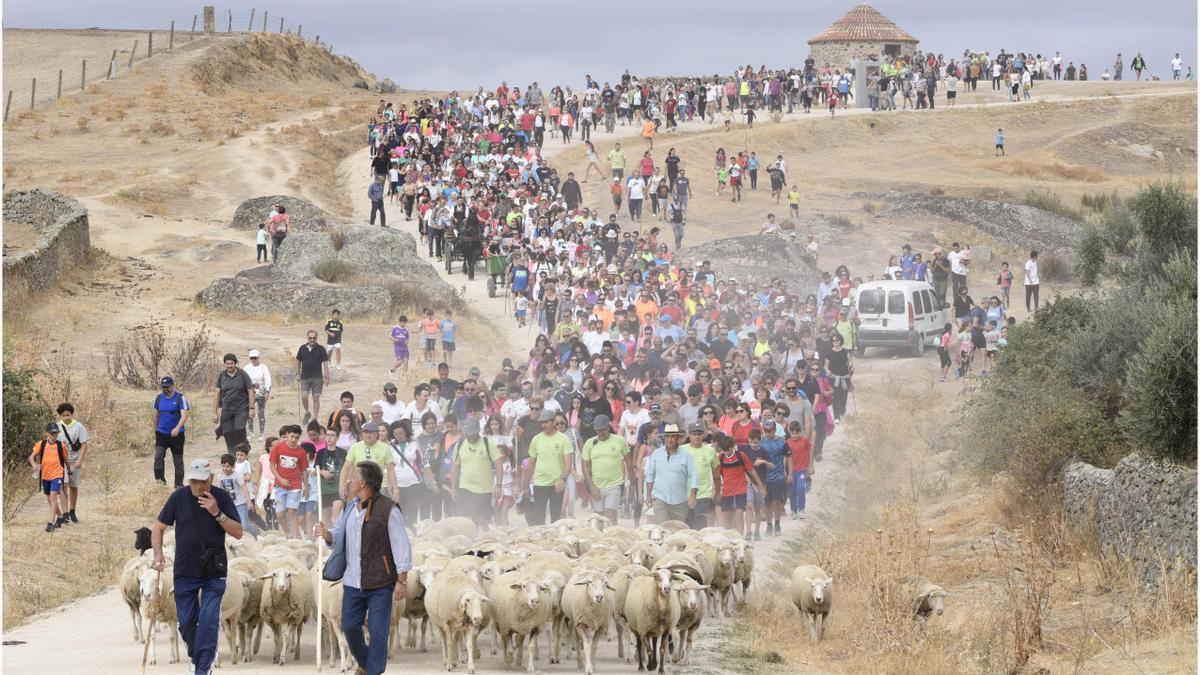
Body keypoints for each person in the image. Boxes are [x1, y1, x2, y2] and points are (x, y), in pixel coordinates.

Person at [315, 461, 412, 675]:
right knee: (349, 627)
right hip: (352, 581)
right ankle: (367, 663)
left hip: (381, 582)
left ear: (363, 482)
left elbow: (401, 544)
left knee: (378, 632)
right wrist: (326, 533)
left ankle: (372, 672)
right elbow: (337, 534)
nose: (348, 481)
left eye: (352, 477)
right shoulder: (350, 508)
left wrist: (402, 579)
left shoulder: (388, 510)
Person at [150, 458, 243, 675]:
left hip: (214, 571)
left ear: (211, 479)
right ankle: (196, 657)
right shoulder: (178, 497)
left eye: (202, 481)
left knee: (209, 619)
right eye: (193, 481)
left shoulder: (221, 497)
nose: (197, 486)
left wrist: (217, 513)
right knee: (187, 624)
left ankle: (203, 669)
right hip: (185, 570)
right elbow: (158, 527)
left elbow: (238, 532)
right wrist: (158, 554)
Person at [448, 417, 503, 527]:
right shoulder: (459, 445)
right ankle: (470, 541)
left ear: (478, 431)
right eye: (468, 434)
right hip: (465, 488)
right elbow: (454, 468)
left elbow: (498, 464)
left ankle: (487, 540)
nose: (471, 437)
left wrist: (498, 485)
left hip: (484, 489)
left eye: (473, 434)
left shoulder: (488, 443)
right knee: (466, 521)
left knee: (484, 521)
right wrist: (453, 489)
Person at [522, 409, 574, 524]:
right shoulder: (536, 439)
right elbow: (531, 463)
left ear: (553, 422)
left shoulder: (563, 439)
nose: (543, 425)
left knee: (556, 516)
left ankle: (555, 541)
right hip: (540, 482)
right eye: (542, 422)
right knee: (539, 516)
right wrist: (525, 485)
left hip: (557, 483)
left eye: (546, 422)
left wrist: (563, 479)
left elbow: (568, 462)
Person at [643, 423, 697, 524]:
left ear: (678, 438)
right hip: (660, 498)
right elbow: (650, 475)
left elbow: (693, 475)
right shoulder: (656, 454)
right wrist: (649, 495)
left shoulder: (686, 455)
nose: (670, 439)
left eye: (673, 436)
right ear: (664, 438)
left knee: (677, 530)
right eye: (667, 436)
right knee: (662, 527)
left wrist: (693, 494)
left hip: (680, 500)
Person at [580, 415, 630, 525]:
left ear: (608, 427)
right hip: (596, 486)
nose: (600, 433)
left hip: (614, 484)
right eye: (597, 430)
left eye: (602, 430)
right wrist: (591, 487)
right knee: (599, 518)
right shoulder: (589, 443)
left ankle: (613, 540)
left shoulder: (619, 440)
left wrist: (630, 481)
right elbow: (585, 466)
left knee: (610, 515)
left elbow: (628, 460)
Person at [715, 433, 764, 536]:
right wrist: (716, 491)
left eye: (728, 449)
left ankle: (740, 539)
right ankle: (730, 538)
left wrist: (761, 486)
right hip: (727, 491)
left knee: (739, 514)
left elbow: (752, 471)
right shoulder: (721, 457)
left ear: (733, 447)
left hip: (740, 490)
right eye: (724, 450)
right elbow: (717, 476)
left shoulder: (741, 455)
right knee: (728, 517)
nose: (726, 452)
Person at [270, 425, 309, 539]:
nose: (293, 440)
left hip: (295, 485)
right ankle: (287, 532)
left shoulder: (301, 452)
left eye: (296, 438)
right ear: (287, 435)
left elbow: (304, 471)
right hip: (280, 485)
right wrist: (280, 479)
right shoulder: (278, 448)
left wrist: (306, 488)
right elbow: (272, 466)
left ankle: (294, 536)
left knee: (292, 511)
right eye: (292, 436)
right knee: (280, 513)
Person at [341, 421, 398, 499]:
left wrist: (395, 489)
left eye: (371, 432)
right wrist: (342, 485)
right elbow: (346, 467)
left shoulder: (385, 448)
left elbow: (391, 469)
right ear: (362, 434)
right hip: (359, 487)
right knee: (361, 510)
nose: (368, 435)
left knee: (377, 510)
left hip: (379, 487)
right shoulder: (355, 447)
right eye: (366, 432)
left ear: (377, 434)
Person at [153, 376, 191, 487]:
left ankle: (178, 485)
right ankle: (160, 483)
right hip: (161, 434)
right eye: (163, 387)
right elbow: (155, 415)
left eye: (167, 387)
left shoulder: (180, 398)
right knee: (158, 457)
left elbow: (184, 415)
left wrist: (177, 428)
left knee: (178, 459)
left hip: (177, 435)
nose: (165, 389)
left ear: (172, 386)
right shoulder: (158, 398)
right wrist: (154, 431)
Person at [30, 422, 68, 532]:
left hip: (57, 475)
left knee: (53, 498)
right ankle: (60, 517)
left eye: (56, 433)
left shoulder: (62, 445)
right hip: (45, 476)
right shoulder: (41, 444)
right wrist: (34, 465)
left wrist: (69, 471)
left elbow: (66, 460)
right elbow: (31, 457)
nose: (54, 435)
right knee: (50, 500)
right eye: (52, 433)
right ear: (47, 433)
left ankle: (51, 523)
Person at [682, 422, 720, 529]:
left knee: (700, 526)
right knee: (686, 527)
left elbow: (716, 475)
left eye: (699, 434)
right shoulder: (681, 450)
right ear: (689, 435)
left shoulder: (710, 451)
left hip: (704, 494)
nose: (697, 436)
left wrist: (717, 492)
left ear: (703, 435)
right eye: (694, 434)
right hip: (684, 495)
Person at [213, 353, 253, 452]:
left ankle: (243, 448)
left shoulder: (243, 374)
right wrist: (214, 412)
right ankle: (231, 454)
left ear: (235, 363)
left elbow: (250, 391)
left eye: (231, 363)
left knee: (239, 429)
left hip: (241, 407)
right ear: (225, 364)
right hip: (226, 409)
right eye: (227, 363)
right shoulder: (222, 376)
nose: (229, 365)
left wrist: (251, 408)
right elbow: (217, 393)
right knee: (227, 432)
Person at [758, 420, 790, 536]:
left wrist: (789, 473)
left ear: (775, 430)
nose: (767, 433)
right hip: (765, 477)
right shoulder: (761, 443)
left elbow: (789, 457)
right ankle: (769, 525)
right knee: (767, 502)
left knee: (776, 501)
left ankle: (777, 525)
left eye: (770, 431)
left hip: (779, 475)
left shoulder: (782, 442)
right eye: (765, 431)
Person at [296, 330, 331, 426]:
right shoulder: (302, 348)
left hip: (317, 378)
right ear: (307, 338)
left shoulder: (321, 349)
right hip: (304, 378)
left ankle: (315, 419)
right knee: (303, 396)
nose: (312, 340)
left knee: (316, 398)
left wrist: (326, 376)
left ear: (316, 338)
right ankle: (307, 412)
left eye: (314, 338)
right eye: (310, 338)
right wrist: (297, 373)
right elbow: (298, 361)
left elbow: (325, 364)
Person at [217, 452, 255, 528]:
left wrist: (249, 501)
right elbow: (219, 492)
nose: (225, 468)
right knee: (233, 525)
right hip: (229, 505)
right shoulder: (220, 477)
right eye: (223, 466)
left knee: (244, 526)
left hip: (240, 504)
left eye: (227, 467)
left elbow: (244, 487)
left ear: (233, 466)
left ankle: (255, 533)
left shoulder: (236, 475)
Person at [243, 349, 271, 441]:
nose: (253, 360)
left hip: (261, 393)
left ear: (258, 358)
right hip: (249, 393)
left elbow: (268, 379)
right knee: (249, 413)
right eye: (251, 358)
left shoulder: (264, 367)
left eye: (255, 358)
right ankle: (251, 432)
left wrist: (267, 391)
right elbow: (243, 380)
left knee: (261, 413)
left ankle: (261, 433)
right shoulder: (247, 367)